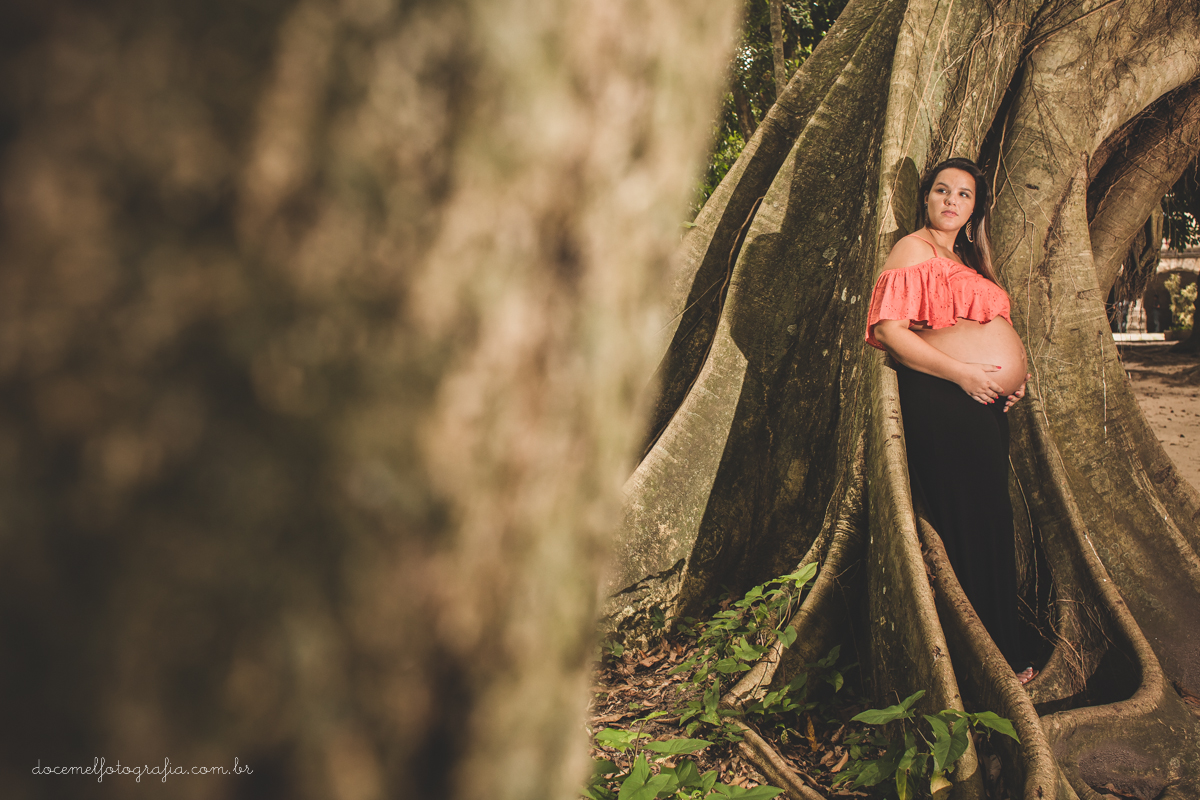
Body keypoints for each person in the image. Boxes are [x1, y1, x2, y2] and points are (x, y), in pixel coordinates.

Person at [864, 158, 1037, 685]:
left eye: (964, 194)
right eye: (942, 190)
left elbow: (978, 329)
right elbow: (890, 331)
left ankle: (998, 650)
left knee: (992, 519)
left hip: (981, 402)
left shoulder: (967, 260)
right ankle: (988, 663)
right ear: (926, 197)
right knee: (971, 521)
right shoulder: (912, 249)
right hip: (943, 398)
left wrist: (1012, 379)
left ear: (974, 208)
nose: (951, 201)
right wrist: (964, 373)